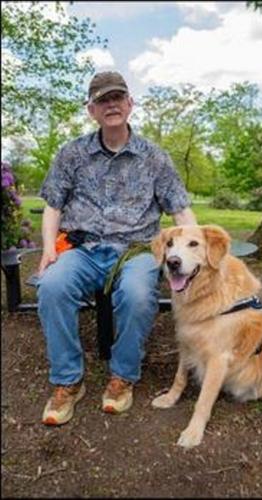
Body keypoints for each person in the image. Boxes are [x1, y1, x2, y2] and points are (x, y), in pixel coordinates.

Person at [36, 71, 197, 425]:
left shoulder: (155, 158)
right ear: (91, 110)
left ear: (130, 104)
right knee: (51, 286)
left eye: (117, 98)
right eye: (102, 100)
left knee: (139, 295)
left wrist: (196, 251)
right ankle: (68, 381)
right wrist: (49, 249)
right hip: (84, 249)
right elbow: (53, 204)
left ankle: (123, 376)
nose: (111, 105)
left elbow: (180, 208)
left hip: (137, 250)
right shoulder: (72, 154)